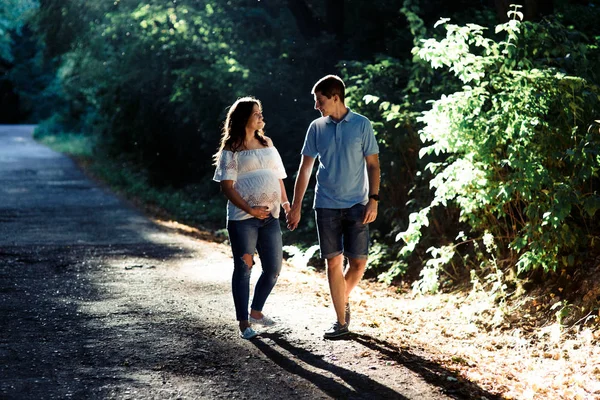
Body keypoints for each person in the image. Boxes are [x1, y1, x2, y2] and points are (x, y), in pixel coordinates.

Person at [287, 75, 380, 339]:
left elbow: (373, 165)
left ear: (335, 97)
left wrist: (374, 198)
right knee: (333, 262)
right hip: (326, 204)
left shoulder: (362, 125)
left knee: (359, 263)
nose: (317, 105)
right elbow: (305, 169)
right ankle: (341, 323)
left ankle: (342, 298)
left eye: (320, 100)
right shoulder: (316, 127)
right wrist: (296, 206)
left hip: (357, 203)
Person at [213, 96, 291, 340]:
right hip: (242, 219)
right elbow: (227, 187)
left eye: (260, 112)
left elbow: (278, 176)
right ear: (243, 117)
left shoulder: (266, 142)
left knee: (273, 269)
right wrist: (251, 209)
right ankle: (244, 323)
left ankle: (256, 311)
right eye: (256, 113)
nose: (260, 116)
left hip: (271, 217)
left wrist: (287, 204)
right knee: (244, 267)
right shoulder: (232, 148)